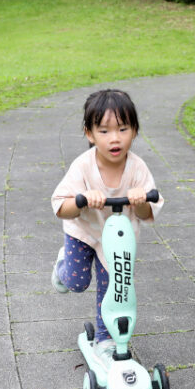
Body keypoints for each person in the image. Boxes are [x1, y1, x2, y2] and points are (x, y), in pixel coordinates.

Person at [50, 89, 164, 360]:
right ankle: (62, 266)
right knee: (76, 283)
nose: (115, 138)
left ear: (134, 130)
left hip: (117, 241)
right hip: (83, 233)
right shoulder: (82, 166)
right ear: (89, 134)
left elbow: (150, 209)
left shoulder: (138, 168)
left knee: (115, 287)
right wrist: (82, 201)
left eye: (123, 129)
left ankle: (105, 339)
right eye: (104, 131)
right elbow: (61, 207)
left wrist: (138, 201)